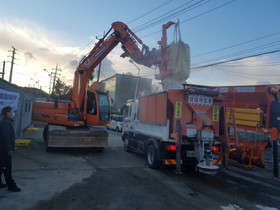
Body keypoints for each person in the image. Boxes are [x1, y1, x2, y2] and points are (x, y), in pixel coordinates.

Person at [0, 106, 21, 192]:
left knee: (1, 166)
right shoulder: (6, 123)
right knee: (7, 167)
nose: (13, 112)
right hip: (4, 149)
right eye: (11, 111)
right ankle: (11, 185)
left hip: (3, 148)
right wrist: (9, 149)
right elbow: (6, 137)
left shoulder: (6, 122)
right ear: (7, 113)